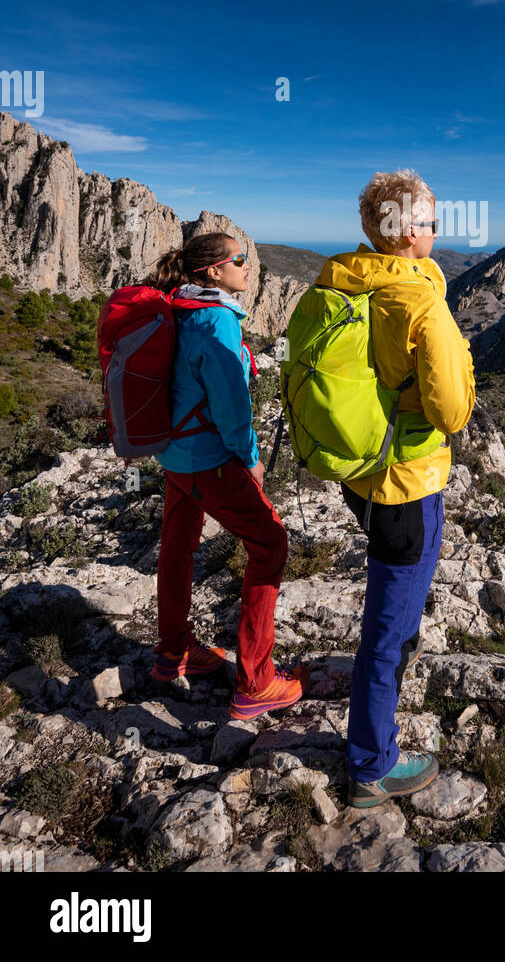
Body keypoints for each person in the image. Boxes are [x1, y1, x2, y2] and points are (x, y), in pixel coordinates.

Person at [314, 171, 475, 808]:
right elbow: (451, 411)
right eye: (432, 223)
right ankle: (371, 765)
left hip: (361, 474)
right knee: (388, 630)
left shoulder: (342, 282)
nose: (437, 233)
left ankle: (373, 725)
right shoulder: (420, 303)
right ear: (409, 233)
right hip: (408, 480)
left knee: (389, 614)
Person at [150, 232, 308, 719]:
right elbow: (231, 409)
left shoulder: (177, 307)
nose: (248, 267)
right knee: (270, 545)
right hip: (210, 460)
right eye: (239, 260)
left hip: (176, 456)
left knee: (178, 546)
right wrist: (251, 458)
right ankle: (257, 681)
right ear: (214, 272)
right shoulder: (216, 320)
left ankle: (173, 653)